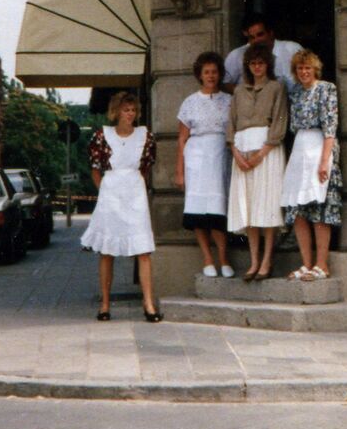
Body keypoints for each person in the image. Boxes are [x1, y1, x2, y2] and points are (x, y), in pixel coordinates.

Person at [81, 91, 163, 322]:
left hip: (135, 194)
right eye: (126, 110)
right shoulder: (101, 136)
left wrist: (133, 188)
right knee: (107, 251)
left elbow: (145, 168)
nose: (130, 114)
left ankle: (149, 304)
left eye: (133, 110)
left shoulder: (145, 136)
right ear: (116, 112)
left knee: (143, 250)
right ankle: (105, 305)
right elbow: (95, 170)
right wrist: (106, 193)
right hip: (111, 195)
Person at [226, 43, 288, 280]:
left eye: (261, 63)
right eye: (253, 63)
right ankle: (253, 261)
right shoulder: (239, 91)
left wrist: (261, 154)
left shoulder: (276, 88)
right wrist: (237, 154)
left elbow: (279, 122)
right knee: (249, 206)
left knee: (267, 205)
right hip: (242, 150)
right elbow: (231, 124)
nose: (257, 67)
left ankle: (266, 260)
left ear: (268, 65)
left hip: (267, 151)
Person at [281, 49, 342, 280]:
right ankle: (306, 263)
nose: (304, 72)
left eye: (307, 68)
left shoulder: (326, 89)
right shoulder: (296, 92)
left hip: (319, 147)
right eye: (300, 68)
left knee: (319, 208)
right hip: (300, 149)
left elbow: (330, 127)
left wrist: (324, 161)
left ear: (315, 69)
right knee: (298, 210)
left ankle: (321, 265)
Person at [176, 51, 234, 278]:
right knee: (198, 210)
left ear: (220, 74)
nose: (211, 76)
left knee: (218, 210)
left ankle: (224, 259)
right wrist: (180, 171)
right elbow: (182, 139)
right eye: (206, 72)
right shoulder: (190, 102)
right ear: (200, 75)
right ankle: (207, 259)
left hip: (221, 156)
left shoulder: (229, 101)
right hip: (196, 158)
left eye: (214, 72)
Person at [222, 12, 303, 96]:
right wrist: (247, 95)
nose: (256, 40)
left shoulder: (292, 49)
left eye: (260, 35)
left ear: (270, 33)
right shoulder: (237, 55)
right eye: (252, 37)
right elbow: (224, 83)